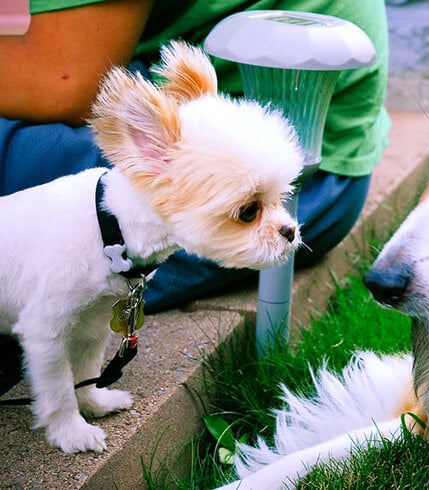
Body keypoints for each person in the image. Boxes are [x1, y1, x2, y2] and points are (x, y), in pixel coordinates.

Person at [0, 0, 390, 312]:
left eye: (251, 210)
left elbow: (62, 83)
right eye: (250, 210)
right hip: (342, 156)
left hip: (319, 168)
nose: (288, 225)